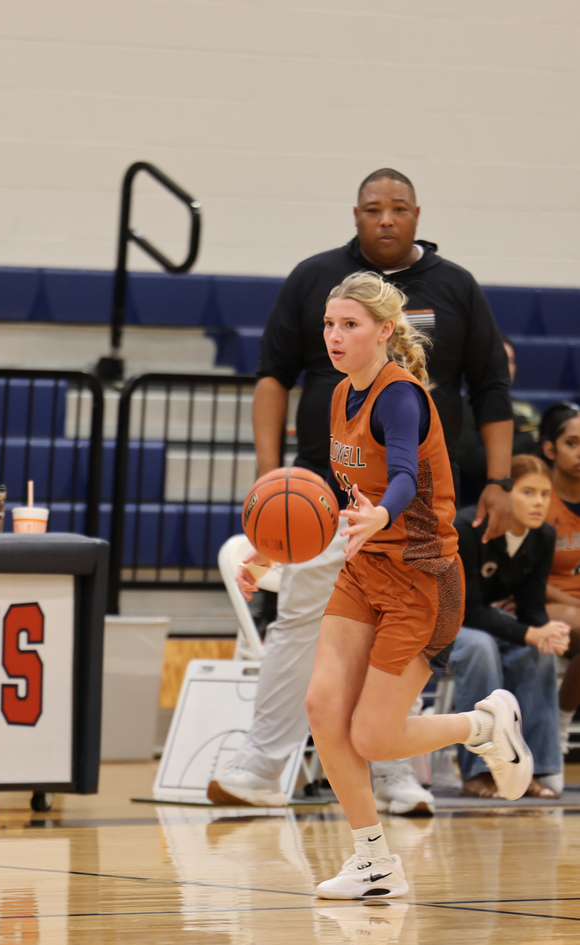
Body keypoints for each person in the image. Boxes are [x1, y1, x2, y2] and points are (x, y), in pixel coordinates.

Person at [207, 167, 514, 813]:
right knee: (300, 626)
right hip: (324, 498)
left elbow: (490, 390)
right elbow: (273, 377)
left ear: (417, 215)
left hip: (407, 520)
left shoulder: (452, 294)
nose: (385, 218)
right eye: (373, 208)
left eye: (398, 208)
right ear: (355, 214)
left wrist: (499, 479)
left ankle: (396, 771)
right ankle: (267, 765)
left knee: (393, 641)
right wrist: (272, 481)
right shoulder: (317, 280)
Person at [302, 272, 531, 899]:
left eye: (349, 324)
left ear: (383, 331)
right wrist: (276, 554)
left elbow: (401, 473)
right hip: (365, 569)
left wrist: (382, 512)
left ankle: (482, 727)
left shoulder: (400, 395)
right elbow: (344, 493)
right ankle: (373, 861)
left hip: (424, 579)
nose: (335, 336)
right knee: (323, 708)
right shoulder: (338, 393)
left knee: (373, 735)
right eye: (329, 323)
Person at [450, 455, 568, 798]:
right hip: (445, 622)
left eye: (545, 494)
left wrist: (547, 633)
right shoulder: (469, 528)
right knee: (479, 648)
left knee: (539, 653)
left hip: (487, 622)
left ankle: (538, 769)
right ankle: (480, 772)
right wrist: (531, 632)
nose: (538, 502)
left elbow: (531, 607)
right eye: (528, 492)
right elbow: (467, 611)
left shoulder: (543, 536)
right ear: (504, 495)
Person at [456, 337, 542, 503]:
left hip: (533, 498)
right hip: (479, 502)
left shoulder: (528, 408)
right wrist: (528, 439)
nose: (504, 367)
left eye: (509, 361)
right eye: (497, 360)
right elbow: (472, 462)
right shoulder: (462, 408)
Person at [540, 403, 580, 752]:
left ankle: (558, 727)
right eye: (572, 443)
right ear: (550, 448)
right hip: (543, 601)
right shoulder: (537, 499)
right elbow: (526, 580)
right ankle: (559, 732)